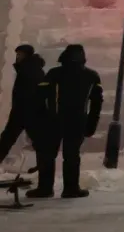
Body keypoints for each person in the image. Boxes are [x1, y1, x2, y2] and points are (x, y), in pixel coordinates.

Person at [28, 44, 102, 199]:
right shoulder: (91, 76)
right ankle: (71, 188)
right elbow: (96, 103)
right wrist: (91, 125)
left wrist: (38, 120)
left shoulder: (54, 74)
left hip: (53, 120)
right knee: (72, 155)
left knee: (48, 154)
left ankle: (45, 188)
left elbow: (39, 98)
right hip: (77, 121)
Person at [0, 45, 45, 168]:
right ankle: (44, 169)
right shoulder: (31, 69)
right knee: (38, 142)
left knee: (7, 140)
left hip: (25, 112)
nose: (17, 57)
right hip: (26, 112)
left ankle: (45, 169)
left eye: (19, 54)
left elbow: (28, 93)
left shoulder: (29, 70)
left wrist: (22, 110)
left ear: (26, 55)